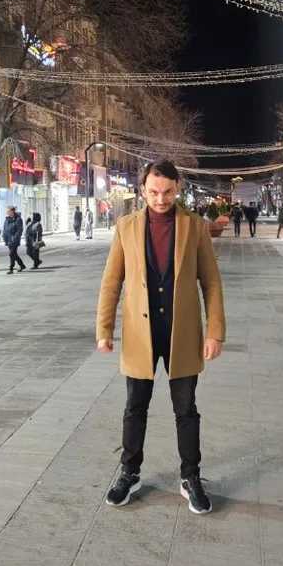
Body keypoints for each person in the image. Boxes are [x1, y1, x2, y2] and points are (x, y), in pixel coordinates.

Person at [96, 160, 226, 515]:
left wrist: (214, 332)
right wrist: (104, 329)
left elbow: (211, 282)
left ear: (177, 188)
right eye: (153, 192)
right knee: (134, 407)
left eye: (167, 191)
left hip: (181, 332)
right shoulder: (126, 227)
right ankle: (129, 473)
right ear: (143, 190)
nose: (160, 199)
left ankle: (191, 477)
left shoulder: (194, 226)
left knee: (186, 409)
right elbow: (112, 281)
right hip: (141, 334)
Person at [3, 207, 25, 274]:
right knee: (13, 254)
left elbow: (19, 230)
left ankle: (11, 268)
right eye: (7, 211)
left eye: (9, 211)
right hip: (8, 239)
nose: (7, 212)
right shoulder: (7, 219)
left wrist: (15, 238)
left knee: (11, 253)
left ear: (13, 211)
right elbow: (5, 229)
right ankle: (21, 265)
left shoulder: (18, 219)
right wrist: (4, 236)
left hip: (14, 240)